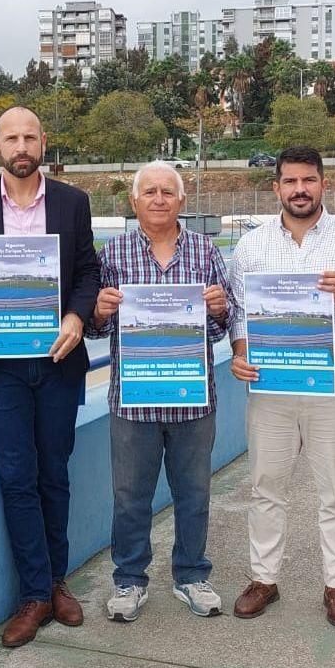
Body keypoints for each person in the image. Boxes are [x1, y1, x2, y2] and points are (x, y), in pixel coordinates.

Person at [0, 106, 102, 648]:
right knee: (16, 476)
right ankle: (34, 594)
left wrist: (76, 316)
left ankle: (55, 583)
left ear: (43, 141)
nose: (22, 146)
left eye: (30, 136)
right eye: (12, 138)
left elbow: (88, 272)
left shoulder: (73, 202)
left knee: (54, 473)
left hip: (57, 359)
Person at [226, 145, 335, 627]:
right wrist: (240, 352)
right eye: (290, 181)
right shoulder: (251, 247)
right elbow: (239, 314)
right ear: (276, 187)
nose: (300, 189)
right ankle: (263, 579)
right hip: (271, 386)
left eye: (308, 180)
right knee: (265, 487)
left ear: (323, 184)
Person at [86, 161, 234, 622]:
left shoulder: (205, 252)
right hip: (134, 401)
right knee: (131, 497)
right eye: (149, 191)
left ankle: (191, 575)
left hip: (192, 399)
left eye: (167, 192)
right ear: (134, 201)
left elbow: (224, 323)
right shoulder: (113, 254)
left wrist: (219, 308)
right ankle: (129, 580)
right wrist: (99, 311)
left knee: (194, 494)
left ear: (181, 201)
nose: (158, 199)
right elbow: (94, 329)